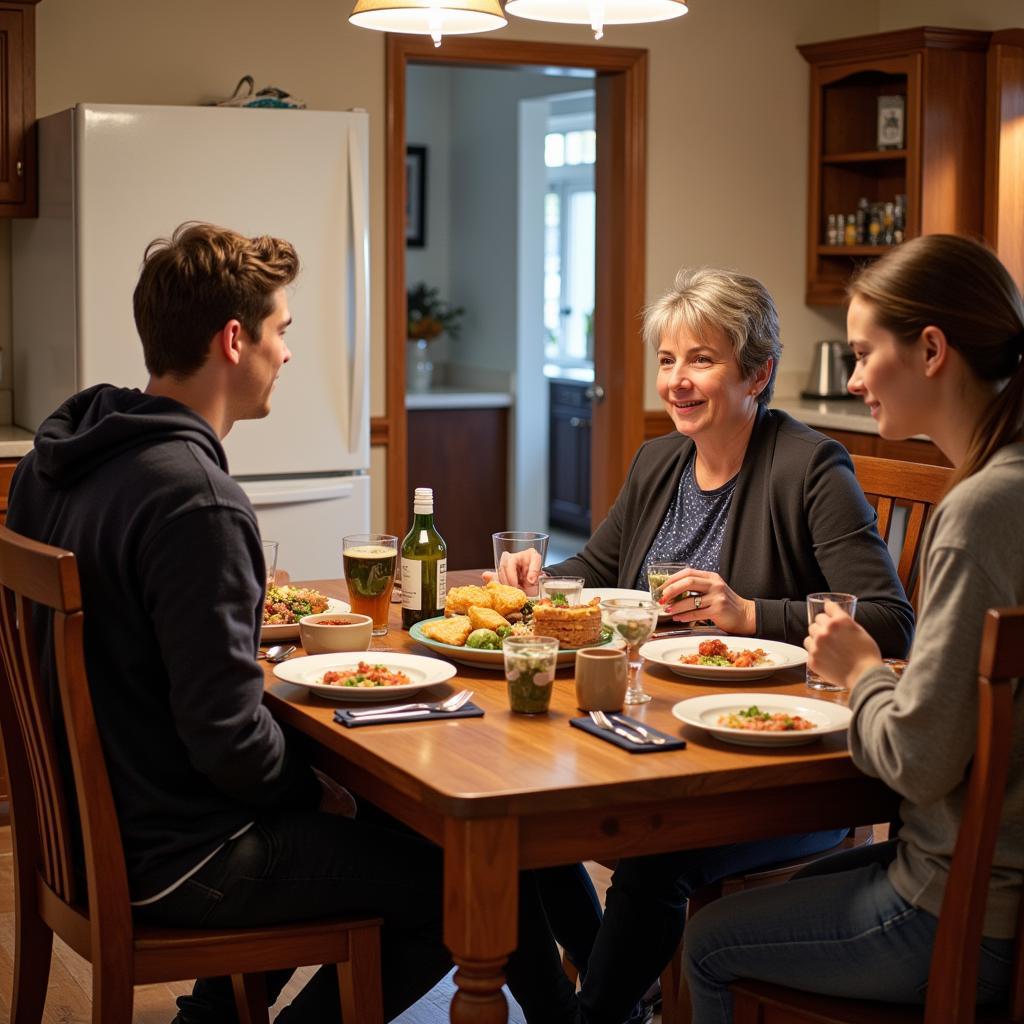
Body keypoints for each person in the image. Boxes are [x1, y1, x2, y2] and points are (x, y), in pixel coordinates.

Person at [7, 222, 578, 1023]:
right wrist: (318, 791)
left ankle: (212, 1019)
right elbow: (227, 739)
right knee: (474, 882)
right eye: (281, 330)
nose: (288, 352)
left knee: (372, 823)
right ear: (234, 340)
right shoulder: (194, 500)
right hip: (179, 855)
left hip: (94, 833)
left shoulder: (62, 459)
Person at [496, 266, 915, 1024]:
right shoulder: (658, 461)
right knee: (522, 823)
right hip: (656, 728)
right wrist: (540, 578)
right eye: (667, 360)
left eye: (702, 360)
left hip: (769, 766)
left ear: (758, 372)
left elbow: (889, 619)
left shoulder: (811, 466)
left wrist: (751, 613)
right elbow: (594, 569)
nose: (678, 382)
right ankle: (598, 1007)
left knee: (657, 852)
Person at [683, 234, 1024, 1020]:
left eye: (866, 353)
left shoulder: (979, 512)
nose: (857, 377)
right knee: (765, 899)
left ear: (932, 349)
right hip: (994, 881)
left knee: (710, 942)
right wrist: (907, 681)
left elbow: (914, 760)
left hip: (956, 906)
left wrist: (863, 671)